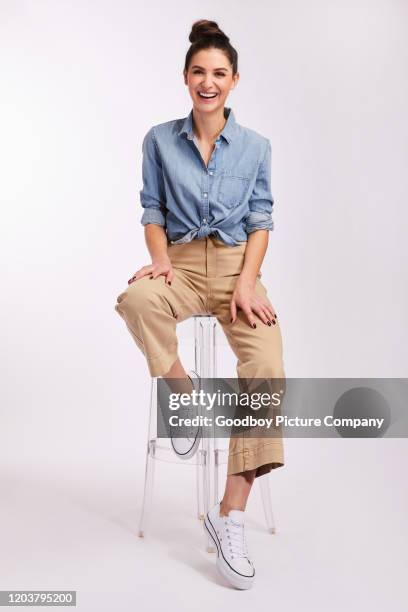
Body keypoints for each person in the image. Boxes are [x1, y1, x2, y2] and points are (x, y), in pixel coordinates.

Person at [115, 19, 285, 590]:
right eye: (198, 72)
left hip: (240, 271)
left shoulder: (257, 146)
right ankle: (183, 398)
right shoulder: (159, 140)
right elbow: (152, 210)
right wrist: (160, 260)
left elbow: (261, 221)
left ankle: (229, 516)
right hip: (181, 266)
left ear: (234, 80)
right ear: (185, 78)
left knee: (265, 370)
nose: (207, 83)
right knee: (136, 298)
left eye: (218, 74)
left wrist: (247, 282)